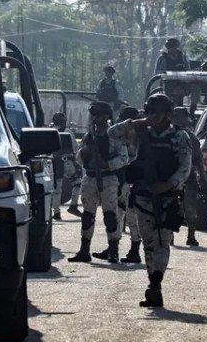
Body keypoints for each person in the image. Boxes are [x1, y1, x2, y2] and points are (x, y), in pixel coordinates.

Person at [109, 94, 192, 307]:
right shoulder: (139, 134)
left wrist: (167, 185)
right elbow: (112, 133)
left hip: (168, 198)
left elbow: (185, 167)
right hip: (144, 198)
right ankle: (153, 283)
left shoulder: (179, 136)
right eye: (150, 111)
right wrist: (137, 122)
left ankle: (155, 284)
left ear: (168, 114)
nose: (154, 116)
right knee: (148, 244)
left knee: (163, 241)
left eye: (158, 112)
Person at [69, 102, 128, 263]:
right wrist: (85, 153)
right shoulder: (89, 135)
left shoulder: (113, 135)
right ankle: (84, 250)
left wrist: (106, 164)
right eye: (94, 114)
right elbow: (78, 157)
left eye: (100, 114)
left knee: (110, 215)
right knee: (87, 215)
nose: (96, 118)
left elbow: (124, 157)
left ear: (107, 116)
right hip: (90, 177)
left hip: (108, 178)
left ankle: (113, 250)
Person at [92, 107, 142, 263]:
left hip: (129, 178)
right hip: (126, 178)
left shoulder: (131, 135)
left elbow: (128, 157)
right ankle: (114, 248)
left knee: (129, 215)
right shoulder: (137, 134)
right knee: (119, 214)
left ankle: (133, 250)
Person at [171, 107, 205, 246]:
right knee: (171, 206)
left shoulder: (191, 137)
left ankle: (191, 235)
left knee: (190, 208)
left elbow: (198, 158)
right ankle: (170, 234)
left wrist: (202, 175)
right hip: (171, 177)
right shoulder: (168, 134)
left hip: (188, 177)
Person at [50, 112, 80, 221]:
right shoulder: (68, 132)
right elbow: (75, 148)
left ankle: (56, 212)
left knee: (57, 188)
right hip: (68, 162)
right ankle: (73, 205)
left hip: (55, 163)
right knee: (77, 183)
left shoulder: (50, 132)